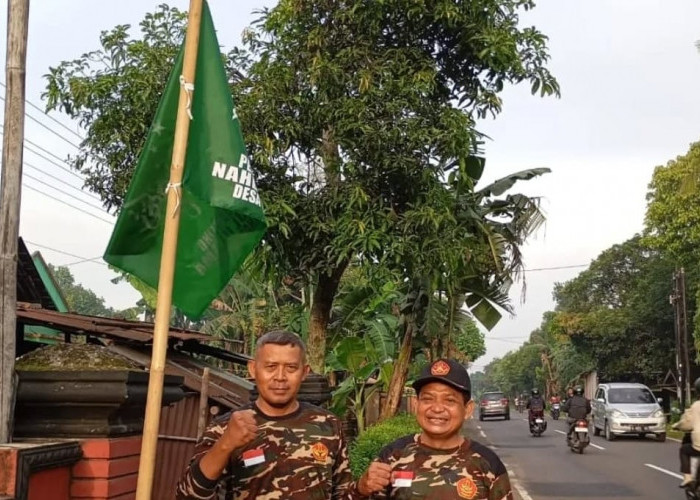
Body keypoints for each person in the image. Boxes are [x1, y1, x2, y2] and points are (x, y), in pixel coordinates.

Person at [175, 330, 354, 500]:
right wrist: (225, 444)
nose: (280, 377)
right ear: (253, 369)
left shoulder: (328, 425)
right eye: (270, 367)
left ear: (304, 372)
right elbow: (187, 495)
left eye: (291, 368)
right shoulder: (225, 428)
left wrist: (363, 488)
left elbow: (343, 493)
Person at [355, 358, 513, 499]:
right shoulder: (392, 457)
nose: (437, 408)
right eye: (428, 399)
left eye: (449, 400)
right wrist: (361, 489)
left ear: (468, 409)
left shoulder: (488, 464)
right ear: (416, 405)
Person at [675, 377, 700, 487]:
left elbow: (687, 424)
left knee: (684, 450)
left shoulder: (696, 406)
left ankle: (688, 477)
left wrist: (677, 426)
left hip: (698, 444)